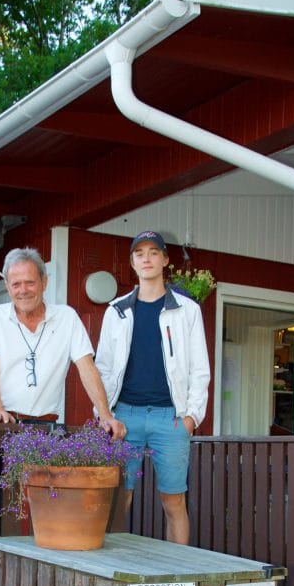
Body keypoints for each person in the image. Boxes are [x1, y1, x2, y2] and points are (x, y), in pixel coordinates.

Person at [95, 230, 210, 544]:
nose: (146, 258)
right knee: (121, 499)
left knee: (173, 501)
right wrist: (105, 415)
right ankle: (111, 575)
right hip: (124, 417)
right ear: (132, 262)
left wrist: (191, 418)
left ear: (165, 260)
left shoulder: (187, 311)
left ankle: (177, 580)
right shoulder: (116, 311)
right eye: (139, 253)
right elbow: (102, 368)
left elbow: (200, 369)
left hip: (170, 418)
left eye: (153, 252)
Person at [0, 247, 125, 438]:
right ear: (7, 286)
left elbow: (87, 368)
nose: (23, 291)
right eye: (16, 284)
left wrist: (105, 415)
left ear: (44, 282)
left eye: (30, 283)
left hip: (45, 425)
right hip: (1, 420)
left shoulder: (67, 317)